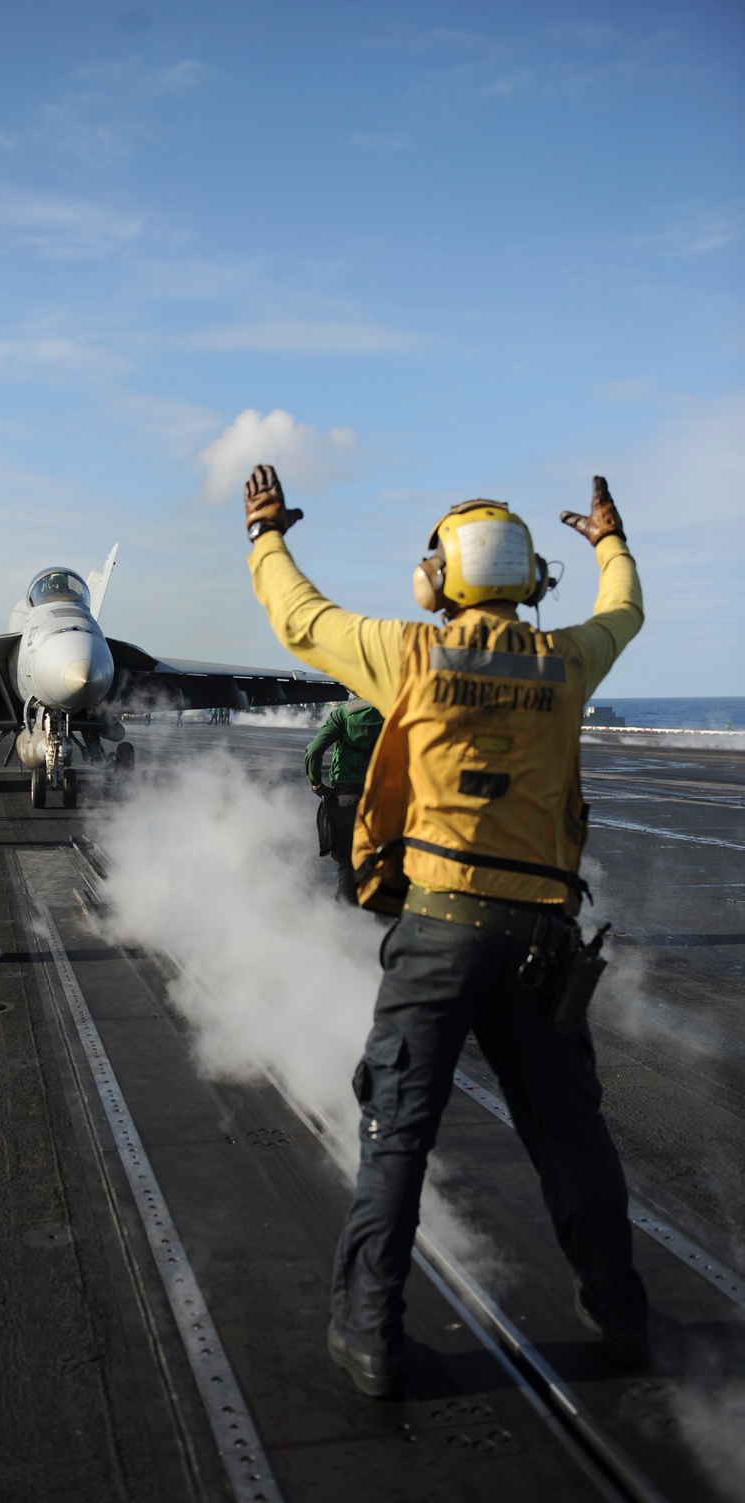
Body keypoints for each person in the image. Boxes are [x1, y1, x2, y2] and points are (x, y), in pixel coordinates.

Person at [243, 465, 648, 1396]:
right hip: (543, 942)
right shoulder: (570, 660)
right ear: (530, 578)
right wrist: (610, 543)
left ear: (443, 577)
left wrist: (267, 533)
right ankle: (622, 1314)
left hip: (437, 932)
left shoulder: (412, 655)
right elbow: (624, 608)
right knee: (571, 1134)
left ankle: (372, 1333)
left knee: (397, 1132)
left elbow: (300, 616)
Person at [305, 700, 383, 903]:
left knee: (347, 863)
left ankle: (345, 924)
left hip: (347, 797)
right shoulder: (392, 710)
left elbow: (314, 750)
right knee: (381, 862)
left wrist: (316, 783)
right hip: (383, 799)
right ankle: (381, 927)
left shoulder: (343, 713)